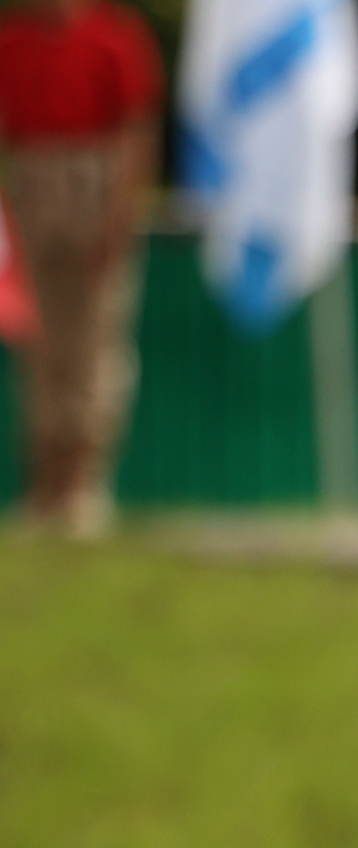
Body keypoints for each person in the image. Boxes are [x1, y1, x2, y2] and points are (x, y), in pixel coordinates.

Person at [0, 0, 160, 537]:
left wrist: (119, 214)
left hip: (93, 180)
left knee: (95, 338)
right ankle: (43, 488)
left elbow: (136, 130)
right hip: (31, 182)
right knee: (40, 343)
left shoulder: (114, 38)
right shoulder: (12, 43)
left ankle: (83, 486)